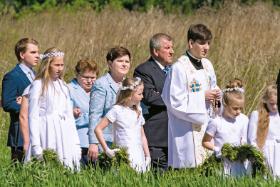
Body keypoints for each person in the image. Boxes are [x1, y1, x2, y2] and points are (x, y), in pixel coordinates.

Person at [161, 23, 221, 169]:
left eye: (208, 43)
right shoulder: (179, 68)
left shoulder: (207, 65)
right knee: (190, 170)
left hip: (206, 124)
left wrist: (217, 97)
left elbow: (213, 87)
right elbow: (174, 101)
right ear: (190, 43)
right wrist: (202, 97)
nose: (206, 47)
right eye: (201, 43)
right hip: (186, 130)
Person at [25, 47, 81, 170]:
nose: (60, 68)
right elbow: (33, 116)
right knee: (46, 168)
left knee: (64, 168)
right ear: (47, 65)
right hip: (46, 130)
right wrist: (35, 145)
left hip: (63, 132)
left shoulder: (63, 86)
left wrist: (76, 143)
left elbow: (69, 116)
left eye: (62, 65)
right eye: (56, 65)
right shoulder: (38, 85)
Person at [133, 33, 174, 170]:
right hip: (157, 137)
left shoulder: (175, 70)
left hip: (175, 135)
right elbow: (150, 96)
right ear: (156, 51)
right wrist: (177, 98)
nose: (172, 51)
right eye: (167, 48)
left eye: (172, 47)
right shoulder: (143, 70)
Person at [95, 77, 150, 172]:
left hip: (138, 153)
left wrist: (147, 155)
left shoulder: (138, 110)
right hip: (124, 153)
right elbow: (98, 129)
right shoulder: (117, 110)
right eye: (139, 94)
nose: (142, 97)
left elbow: (142, 135)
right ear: (130, 95)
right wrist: (106, 149)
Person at [88, 47, 131, 161]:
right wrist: (93, 142)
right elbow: (95, 114)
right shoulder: (101, 84)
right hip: (106, 140)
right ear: (110, 64)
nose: (124, 64)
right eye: (120, 61)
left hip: (126, 138)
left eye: (127, 61)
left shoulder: (129, 84)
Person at [1, 38, 39, 162]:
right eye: (33, 52)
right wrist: (25, 105)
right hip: (20, 135)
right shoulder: (12, 76)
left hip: (38, 130)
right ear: (22, 55)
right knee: (19, 172)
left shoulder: (37, 75)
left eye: (38, 52)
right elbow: (7, 103)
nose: (37, 56)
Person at [202, 79, 249, 176]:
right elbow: (205, 142)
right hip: (222, 163)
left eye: (241, 108)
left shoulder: (244, 119)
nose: (239, 111)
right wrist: (217, 149)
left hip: (238, 162)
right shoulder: (216, 122)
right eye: (235, 108)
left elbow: (244, 138)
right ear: (225, 105)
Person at [68, 58, 99, 166]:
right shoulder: (69, 89)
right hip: (79, 141)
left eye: (93, 77)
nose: (90, 81)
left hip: (98, 142)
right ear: (77, 74)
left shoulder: (98, 90)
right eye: (85, 77)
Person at [247, 84, 280, 177]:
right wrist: (258, 155)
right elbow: (251, 139)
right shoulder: (257, 115)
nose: (275, 107)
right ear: (266, 101)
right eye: (272, 103)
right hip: (266, 153)